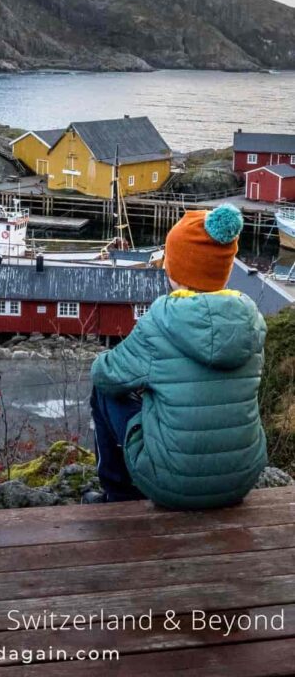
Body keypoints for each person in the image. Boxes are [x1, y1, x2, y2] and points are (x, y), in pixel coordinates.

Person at [88, 204, 267, 509]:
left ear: (176, 269)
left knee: (104, 394)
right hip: (241, 478)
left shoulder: (161, 321)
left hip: (171, 484)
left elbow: (106, 374)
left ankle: (117, 494)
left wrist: (145, 386)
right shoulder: (251, 322)